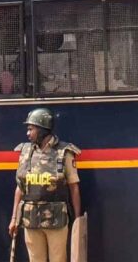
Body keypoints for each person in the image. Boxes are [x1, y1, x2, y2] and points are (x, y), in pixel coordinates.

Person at [9, 108, 81, 262]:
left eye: (31, 129)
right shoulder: (25, 152)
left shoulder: (64, 152)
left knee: (58, 259)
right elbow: (20, 187)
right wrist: (14, 218)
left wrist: (77, 220)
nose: (28, 133)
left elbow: (74, 187)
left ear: (42, 129)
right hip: (31, 219)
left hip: (56, 219)